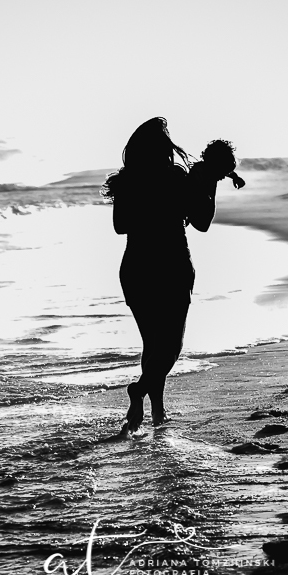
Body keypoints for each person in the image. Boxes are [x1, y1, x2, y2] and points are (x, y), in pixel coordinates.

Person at [101, 118, 239, 435]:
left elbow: (120, 225)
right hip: (171, 265)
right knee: (170, 346)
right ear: (164, 150)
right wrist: (210, 185)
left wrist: (145, 203)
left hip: (136, 268)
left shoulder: (126, 182)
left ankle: (158, 413)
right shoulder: (175, 178)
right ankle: (139, 392)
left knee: (153, 345)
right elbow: (202, 222)